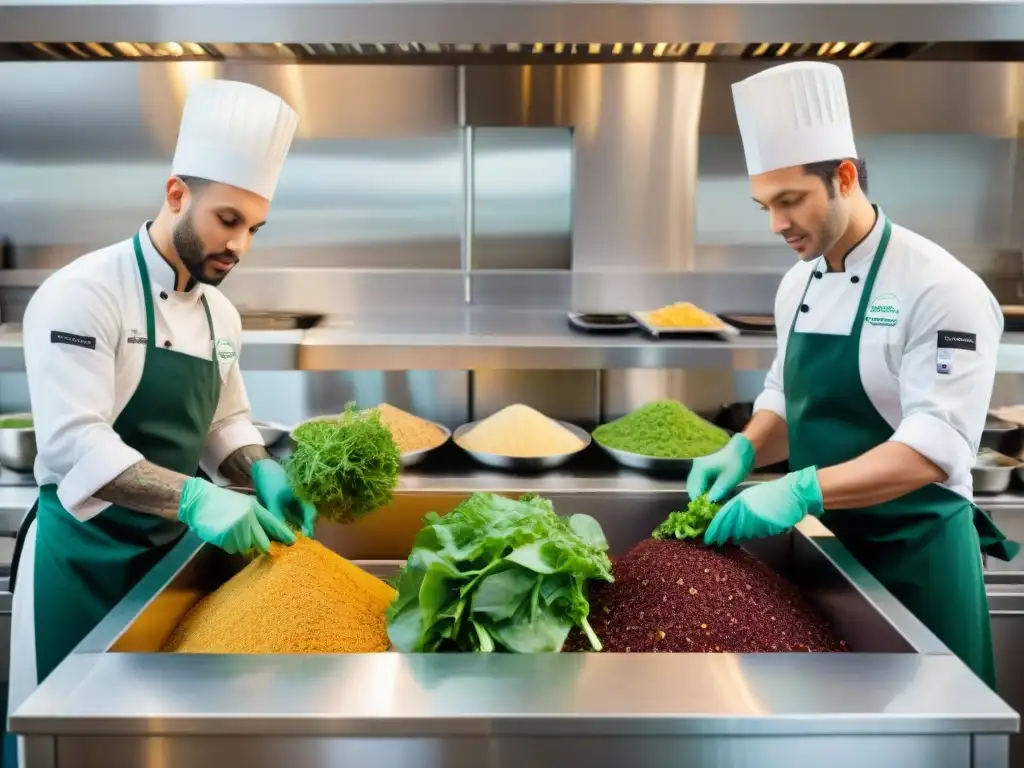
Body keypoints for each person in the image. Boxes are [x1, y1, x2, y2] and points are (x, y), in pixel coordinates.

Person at [4, 79, 318, 759]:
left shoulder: (219, 311)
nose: (240, 245)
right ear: (177, 194)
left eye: (254, 229)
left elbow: (224, 420)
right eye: (227, 220)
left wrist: (261, 472)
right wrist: (198, 497)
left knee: (150, 745)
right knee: (66, 744)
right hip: (80, 562)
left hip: (164, 562)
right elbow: (76, 445)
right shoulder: (82, 295)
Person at [688, 61, 1018, 689]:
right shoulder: (796, 283)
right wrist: (745, 447)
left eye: (791, 201)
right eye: (764, 205)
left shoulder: (941, 289)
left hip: (916, 563)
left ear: (844, 177)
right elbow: (788, 398)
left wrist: (798, 491)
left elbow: (933, 449)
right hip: (831, 560)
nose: (777, 225)